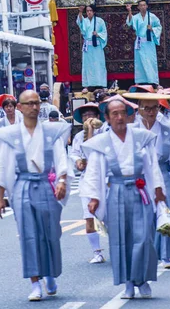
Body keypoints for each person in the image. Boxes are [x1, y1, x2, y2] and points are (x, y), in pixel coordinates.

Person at [81, 95, 165, 299]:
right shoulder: (101, 142)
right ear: (108, 118)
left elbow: (151, 165)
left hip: (140, 191)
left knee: (143, 237)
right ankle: (128, 282)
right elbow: (94, 171)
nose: (119, 117)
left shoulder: (141, 137)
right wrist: (94, 197)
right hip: (116, 191)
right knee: (120, 238)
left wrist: (158, 189)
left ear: (128, 115)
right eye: (114, 114)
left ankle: (142, 279)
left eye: (122, 113)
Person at [0, 90, 71, 302]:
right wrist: (0, 197)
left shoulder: (51, 133)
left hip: (46, 184)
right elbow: (4, 165)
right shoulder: (13, 136)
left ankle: (51, 274)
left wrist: (62, 181)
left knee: (50, 232)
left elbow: (61, 159)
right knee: (28, 235)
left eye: (36, 103)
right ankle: (35, 282)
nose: (34, 107)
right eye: (29, 103)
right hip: (23, 186)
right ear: (20, 107)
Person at [127, 91, 170, 269]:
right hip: (140, 175)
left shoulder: (168, 128)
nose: (151, 112)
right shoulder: (132, 129)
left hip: (163, 171)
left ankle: (166, 255)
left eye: (154, 108)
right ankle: (146, 253)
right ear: (139, 109)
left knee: (167, 211)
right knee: (143, 215)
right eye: (147, 108)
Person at [70, 102, 105, 263]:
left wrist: (91, 131)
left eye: (91, 115)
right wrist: (78, 161)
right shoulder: (78, 137)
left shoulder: (105, 132)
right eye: (85, 116)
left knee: (109, 216)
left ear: (98, 117)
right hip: (87, 180)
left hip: (104, 179)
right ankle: (96, 252)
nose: (88, 118)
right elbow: (75, 153)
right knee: (89, 216)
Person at [126, 0, 162, 86]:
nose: (143, 7)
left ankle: (153, 81)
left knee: (150, 61)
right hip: (140, 42)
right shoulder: (136, 17)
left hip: (149, 42)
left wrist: (152, 29)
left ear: (147, 6)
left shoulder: (152, 16)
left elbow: (159, 26)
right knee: (139, 61)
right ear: (138, 7)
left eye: (144, 5)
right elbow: (130, 22)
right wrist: (129, 10)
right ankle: (140, 80)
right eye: (141, 5)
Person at [77, 4, 108, 88]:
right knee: (87, 65)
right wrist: (80, 12)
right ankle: (86, 85)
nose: (89, 12)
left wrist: (98, 34)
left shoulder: (100, 21)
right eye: (87, 11)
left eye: (90, 11)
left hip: (97, 46)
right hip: (88, 47)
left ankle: (102, 84)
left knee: (99, 64)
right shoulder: (85, 20)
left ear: (94, 12)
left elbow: (104, 32)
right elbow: (80, 23)